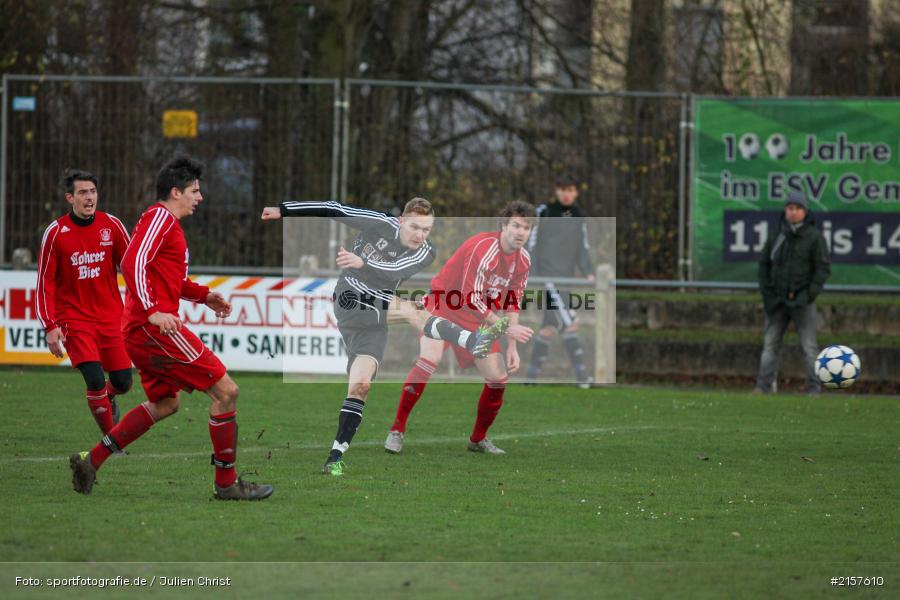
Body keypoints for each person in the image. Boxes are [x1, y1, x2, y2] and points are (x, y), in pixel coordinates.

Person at [69, 155, 273, 500]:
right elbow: (132, 262)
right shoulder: (161, 218)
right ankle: (227, 485)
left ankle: (93, 461)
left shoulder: (164, 224)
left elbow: (169, 280)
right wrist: (152, 312)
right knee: (227, 393)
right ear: (176, 192)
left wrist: (204, 296)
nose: (200, 197)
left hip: (141, 330)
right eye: (195, 190)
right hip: (152, 329)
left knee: (165, 403)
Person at [261, 199, 510, 475]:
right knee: (413, 310)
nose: (420, 235)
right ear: (402, 220)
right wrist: (284, 210)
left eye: (426, 229)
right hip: (350, 298)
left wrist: (362, 261)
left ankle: (335, 458)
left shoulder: (425, 251)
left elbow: (394, 271)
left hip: (376, 318)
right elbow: (335, 209)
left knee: (361, 387)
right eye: (414, 226)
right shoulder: (379, 223)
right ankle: (472, 341)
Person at [384, 201, 536, 455]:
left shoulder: (523, 261)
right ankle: (397, 430)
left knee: (498, 379)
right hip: (444, 305)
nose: (521, 232)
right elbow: (469, 298)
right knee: (429, 359)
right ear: (503, 226)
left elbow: (512, 303)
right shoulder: (484, 248)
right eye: (516, 225)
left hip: (479, 318)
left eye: (527, 227)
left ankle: (477, 440)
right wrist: (506, 330)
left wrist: (512, 346)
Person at [36, 169, 133, 435]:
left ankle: (109, 397)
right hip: (74, 318)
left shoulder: (111, 225)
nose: (89, 198)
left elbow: (131, 266)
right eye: (82, 193)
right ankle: (111, 442)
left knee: (123, 382)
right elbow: (45, 282)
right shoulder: (55, 233)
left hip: (112, 315)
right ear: (70, 197)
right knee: (93, 379)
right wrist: (50, 326)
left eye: (92, 191)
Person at [754, 190, 831, 394]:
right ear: (785, 210)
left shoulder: (814, 238)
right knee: (770, 346)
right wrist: (769, 296)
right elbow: (764, 267)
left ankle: (813, 389)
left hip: (803, 303)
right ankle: (763, 387)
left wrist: (806, 296)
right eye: (790, 208)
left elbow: (822, 271)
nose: (793, 212)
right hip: (777, 302)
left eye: (797, 208)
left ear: (805, 211)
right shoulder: (777, 235)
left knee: (809, 347)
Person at [524, 173, 595, 388]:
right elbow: (531, 243)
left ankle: (530, 378)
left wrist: (588, 271)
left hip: (565, 280)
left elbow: (583, 246)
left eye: (571, 190)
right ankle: (582, 377)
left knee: (550, 326)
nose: (566, 194)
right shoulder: (544, 212)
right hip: (546, 277)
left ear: (576, 192)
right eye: (563, 189)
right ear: (557, 190)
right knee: (570, 322)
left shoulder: (578, 215)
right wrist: (532, 274)